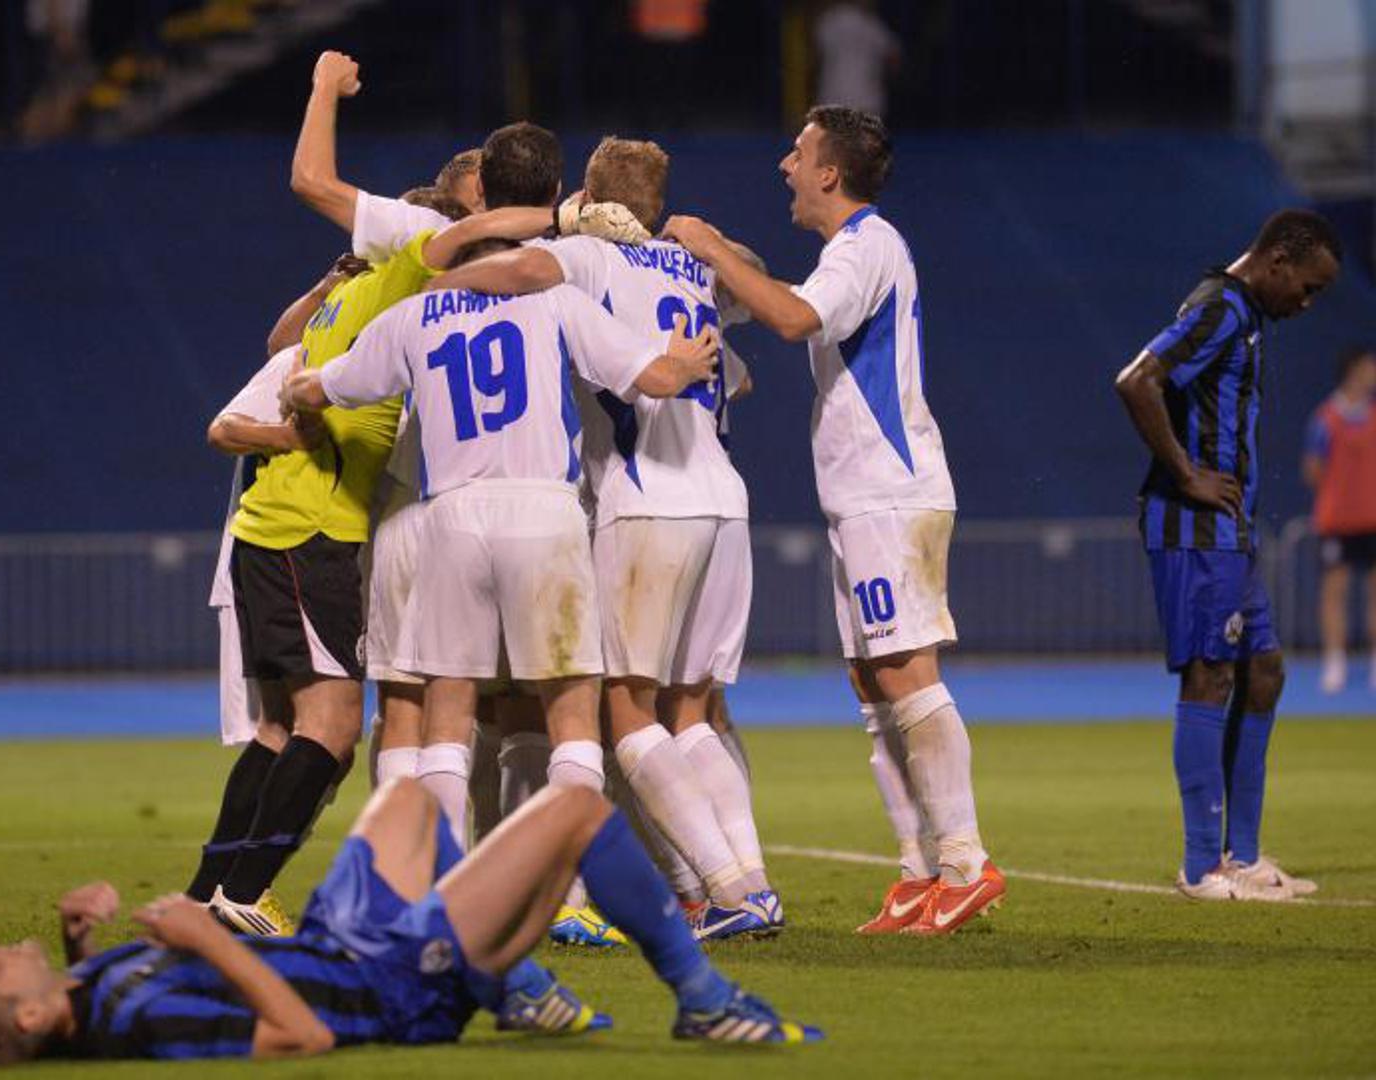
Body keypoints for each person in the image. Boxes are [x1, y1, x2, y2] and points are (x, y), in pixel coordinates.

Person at [197, 187, 591, 935]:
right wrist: (568, 219)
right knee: (334, 724)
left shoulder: (345, 305)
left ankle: (208, 893)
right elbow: (464, 235)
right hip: (310, 531)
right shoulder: (399, 284)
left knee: (282, 729)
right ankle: (244, 891)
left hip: (284, 532)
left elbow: (281, 360)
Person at [426, 136, 781, 942]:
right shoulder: (689, 266)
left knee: (626, 712)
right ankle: (744, 883)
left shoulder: (587, 257)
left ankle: (730, 889)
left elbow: (517, 270)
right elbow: (754, 305)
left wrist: (441, 285)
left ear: (589, 197)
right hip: (724, 500)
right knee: (692, 711)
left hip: (646, 496)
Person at [663, 106, 1003, 935]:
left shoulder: (865, 245)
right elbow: (786, 302)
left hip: (892, 492)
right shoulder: (843, 255)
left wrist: (709, 248)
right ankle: (918, 872)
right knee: (872, 682)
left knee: (906, 672)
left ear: (829, 172)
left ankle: (965, 862)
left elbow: (792, 319)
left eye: (798, 152)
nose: (785, 165)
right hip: (860, 497)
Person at [0, 781, 822, 1065]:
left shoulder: (87, 997)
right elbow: (301, 1036)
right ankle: (703, 999)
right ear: (29, 1014)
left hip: (337, 941)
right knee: (578, 809)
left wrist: (79, 936)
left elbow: (85, 1000)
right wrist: (207, 938)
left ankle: (513, 986)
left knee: (410, 796)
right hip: (390, 985)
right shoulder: (143, 1023)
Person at [1114, 208, 1342, 900]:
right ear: (1278, 261)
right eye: (1307, 287)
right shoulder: (1218, 307)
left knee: (1264, 670)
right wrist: (1187, 475)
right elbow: (1137, 380)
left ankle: (1242, 854)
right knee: (1210, 674)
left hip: (1228, 532)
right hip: (1193, 528)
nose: (1306, 303)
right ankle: (1199, 866)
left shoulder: (1245, 316)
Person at [1303, 345, 1376, 693]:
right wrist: (1341, 495)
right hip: (1336, 522)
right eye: (1369, 367)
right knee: (1335, 593)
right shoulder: (1325, 419)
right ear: (1354, 371)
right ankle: (1335, 663)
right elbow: (1312, 470)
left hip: (1373, 519)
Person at [813, 1, 900, 118]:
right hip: (867, 100)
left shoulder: (828, 21)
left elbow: (817, 57)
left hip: (832, 98)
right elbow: (894, 57)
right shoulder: (870, 24)